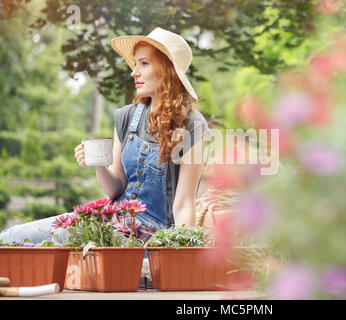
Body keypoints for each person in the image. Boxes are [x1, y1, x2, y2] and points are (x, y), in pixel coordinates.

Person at [0, 27, 211, 245]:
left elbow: (184, 203)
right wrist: (98, 164)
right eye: (135, 63)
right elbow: (116, 187)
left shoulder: (193, 125)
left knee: (52, 241)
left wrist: (184, 249)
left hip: (151, 238)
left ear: (168, 70)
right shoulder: (125, 117)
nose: (134, 72)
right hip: (109, 222)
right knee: (11, 237)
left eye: (144, 63)